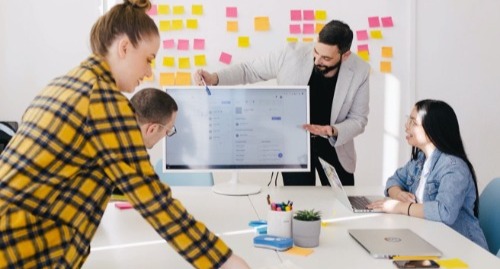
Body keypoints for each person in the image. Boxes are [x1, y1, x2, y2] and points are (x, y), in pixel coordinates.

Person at [0, 0, 249, 268]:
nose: (149, 72)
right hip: (20, 249)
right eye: (148, 59)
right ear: (124, 47)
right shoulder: (103, 101)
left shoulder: (63, 83)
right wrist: (224, 261)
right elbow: (153, 200)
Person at [195, 20, 370, 186]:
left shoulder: (360, 70)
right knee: (300, 207)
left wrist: (333, 130)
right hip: (294, 145)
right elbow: (249, 70)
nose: (317, 61)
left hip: (334, 146)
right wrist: (215, 78)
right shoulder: (291, 54)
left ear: (345, 55)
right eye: (316, 52)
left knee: (343, 206)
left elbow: (358, 119)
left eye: (326, 58)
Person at [367, 99, 488, 250]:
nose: (406, 127)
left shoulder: (454, 167)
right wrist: (398, 194)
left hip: (463, 248)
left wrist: (400, 207)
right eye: (408, 121)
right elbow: (394, 180)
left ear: (433, 130)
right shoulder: (420, 160)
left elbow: (444, 212)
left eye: (413, 123)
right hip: (432, 240)